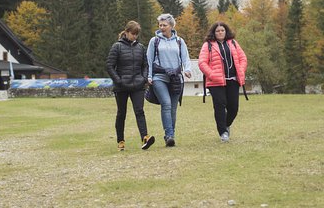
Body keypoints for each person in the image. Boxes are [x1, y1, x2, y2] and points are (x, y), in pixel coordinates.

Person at [106, 21, 155, 152]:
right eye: (133, 34)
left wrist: (144, 78)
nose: (135, 36)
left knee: (140, 111)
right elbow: (109, 66)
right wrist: (118, 80)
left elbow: (145, 65)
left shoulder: (141, 48)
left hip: (138, 85)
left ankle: (145, 137)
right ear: (126, 32)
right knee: (121, 113)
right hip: (121, 86)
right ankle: (120, 140)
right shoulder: (117, 47)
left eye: (137, 34)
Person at [198, 21, 248, 142]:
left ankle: (226, 125)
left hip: (233, 80)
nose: (220, 33)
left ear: (226, 32)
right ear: (213, 33)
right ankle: (223, 133)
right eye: (217, 31)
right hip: (216, 82)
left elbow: (243, 58)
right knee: (220, 105)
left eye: (222, 30)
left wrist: (240, 71)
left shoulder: (233, 43)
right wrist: (212, 74)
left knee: (233, 108)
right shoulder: (208, 45)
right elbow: (202, 62)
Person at [147, 13, 191, 147]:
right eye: (160, 25)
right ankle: (169, 136)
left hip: (176, 78)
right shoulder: (154, 41)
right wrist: (149, 76)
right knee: (166, 104)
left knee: (173, 109)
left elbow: (185, 57)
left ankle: (171, 134)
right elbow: (148, 60)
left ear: (171, 26)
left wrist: (187, 69)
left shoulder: (179, 41)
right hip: (159, 77)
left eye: (164, 25)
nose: (162, 27)